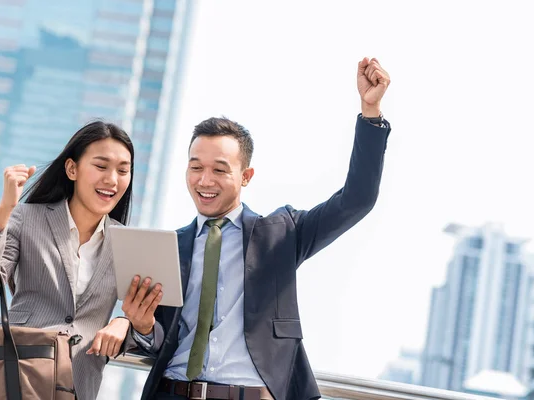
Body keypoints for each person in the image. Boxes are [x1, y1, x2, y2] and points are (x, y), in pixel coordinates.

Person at [130, 56, 392, 400]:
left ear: (246, 177)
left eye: (220, 170)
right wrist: (141, 325)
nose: (204, 180)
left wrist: (370, 112)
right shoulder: (170, 249)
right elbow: (158, 342)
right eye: (196, 167)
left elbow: (357, 199)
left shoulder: (282, 235)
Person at [0, 121, 163, 400]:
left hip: (77, 387)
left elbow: (151, 334)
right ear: (72, 169)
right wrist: (5, 210)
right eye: (101, 166)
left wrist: (126, 322)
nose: (112, 180)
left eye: (123, 170)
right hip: (11, 378)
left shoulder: (129, 244)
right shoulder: (26, 218)